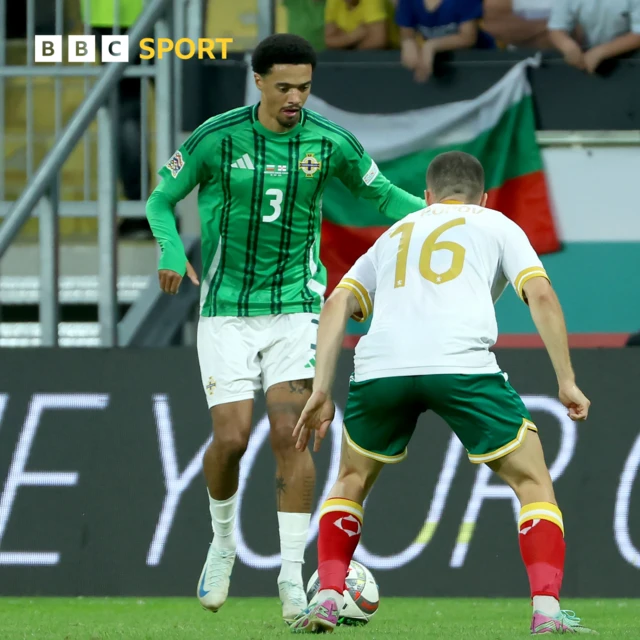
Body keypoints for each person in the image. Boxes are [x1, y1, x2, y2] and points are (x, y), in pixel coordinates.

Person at [145, 33, 425, 623]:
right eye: (284, 87)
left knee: (292, 434)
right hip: (226, 309)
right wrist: (171, 250)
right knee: (231, 438)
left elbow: (383, 197)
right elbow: (159, 200)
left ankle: (292, 579)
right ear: (259, 82)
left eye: (304, 86)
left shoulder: (330, 142)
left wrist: (449, 218)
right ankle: (222, 543)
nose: (296, 97)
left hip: (298, 308)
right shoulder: (216, 138)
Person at [289, 151, 597, 634]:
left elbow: (337, 304)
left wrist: (322, 388)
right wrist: (566, 378)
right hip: (460, 364)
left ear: (428, 197)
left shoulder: (394, 234)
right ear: (484, 197)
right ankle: (547, 612)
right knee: (532, 483)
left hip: (381, 366)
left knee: (350, 479)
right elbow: (539, 294)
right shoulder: (498, 224)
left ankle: (328, 595)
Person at [396, 0, 496, 82]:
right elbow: (407, 33)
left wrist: (431, 46)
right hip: (441, 67)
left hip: (480, 62)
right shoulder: (408, 2)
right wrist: (408, 43)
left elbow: (468, 38)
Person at [548, 0, 640, 73]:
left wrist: (602, 51)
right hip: (591, 57)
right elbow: (556, 28)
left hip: (633, 58)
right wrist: (567, 46)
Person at [324, 0, 399, 50]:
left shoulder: (373, 1)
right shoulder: (333, 1)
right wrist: (354, 36)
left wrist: (343, 40)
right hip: (354, 54)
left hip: (392, 52)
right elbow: (329, 40)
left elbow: (378, 41)